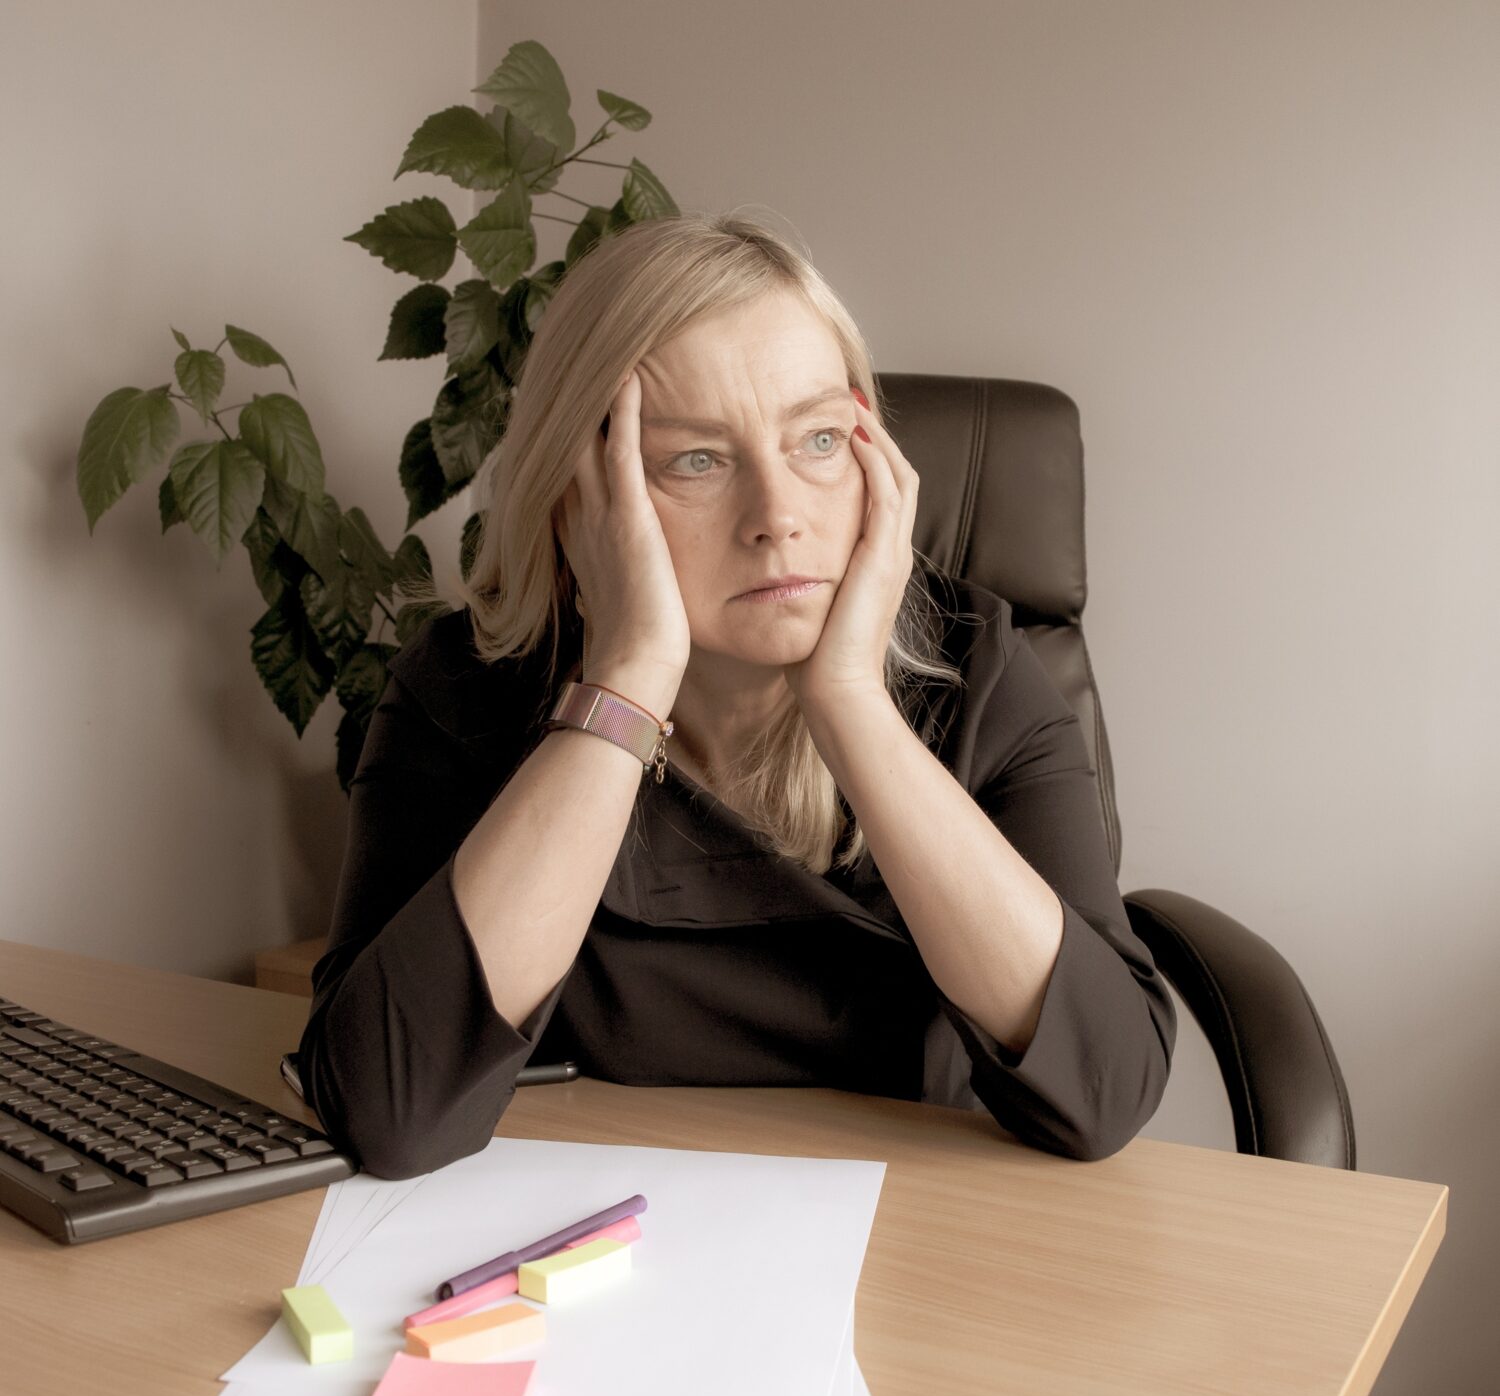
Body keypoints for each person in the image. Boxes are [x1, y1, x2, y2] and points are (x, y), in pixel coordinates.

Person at [298, 211, 1176, 1180]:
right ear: (580, 493)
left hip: (919, 1227)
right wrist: (625, 685)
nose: (779, 516)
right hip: (594, 1215)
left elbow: (1104, 1090)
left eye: (818, 439)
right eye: (697, 459)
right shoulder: (464, 688)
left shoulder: (979, 674)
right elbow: (385, 1109)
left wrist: (850, 700)